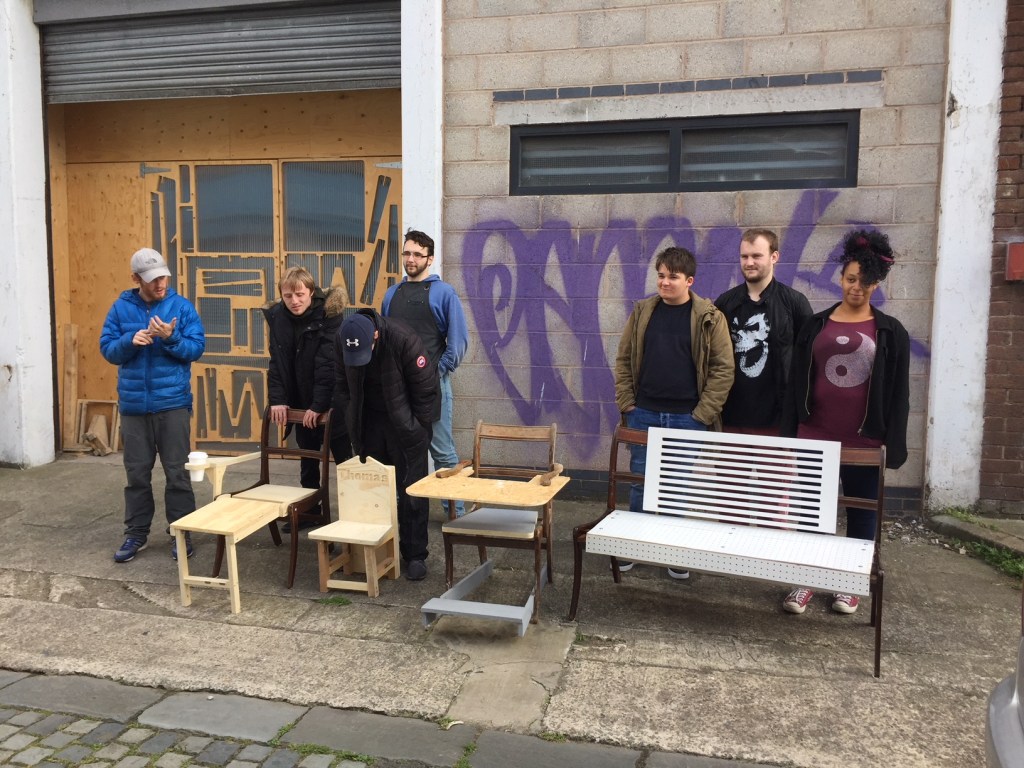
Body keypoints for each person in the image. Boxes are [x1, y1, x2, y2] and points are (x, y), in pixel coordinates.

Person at [781, 229, 910, 615]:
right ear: (841, 278)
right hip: (815, 436)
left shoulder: (890, 332)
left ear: (877, 284)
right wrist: (791, 432)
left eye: (866, 281)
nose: (857, 287)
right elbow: (796, 382)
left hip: (864, 442)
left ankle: (848, 585)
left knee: (862, 513)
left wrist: (893, 444)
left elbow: (898, 393)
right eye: (851, 278)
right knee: (810, 512)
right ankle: (806, 580)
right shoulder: (815, 325)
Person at [614, 246, 735, 579]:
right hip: (644, 413)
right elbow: (623, 359)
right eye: (661, 275)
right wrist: (628, 403)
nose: (665, 282)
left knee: (675, 487)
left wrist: (702, 414)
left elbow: (723, 369)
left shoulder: (709, 317)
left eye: (673, 277)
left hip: (686, 418)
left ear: (689, 281)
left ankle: (670, 548)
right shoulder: (643, 312)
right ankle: (635, 546)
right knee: (641, 483)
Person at [100, 247, 206, 563]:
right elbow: (108, 349)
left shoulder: (181, 307)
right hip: (134, 407)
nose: (160, 284)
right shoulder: (120, 308)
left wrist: (171, 338)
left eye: (163, 277)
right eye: (152, 279)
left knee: (177, 473)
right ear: (136, 279)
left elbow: (196, 348)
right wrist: (129, 341)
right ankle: (136, 534)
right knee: (136, 475)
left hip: (172, 404)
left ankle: (181, 532)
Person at [334, 308, 439, 580]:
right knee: (374, 489)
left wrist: (418, 429)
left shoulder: (403, 339)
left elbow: (426, 390)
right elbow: (341, 385)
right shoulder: (343, 338)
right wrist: (351, 418)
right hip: (368, 421)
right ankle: (378, 551)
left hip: (405, 425)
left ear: (376, 336)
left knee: (411, 490)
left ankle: (415, 554)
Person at [382, 230, 469, 518]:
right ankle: (404, 512)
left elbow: (458, 342)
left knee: (442, 452)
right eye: (407, 253)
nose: (411, 259)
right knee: (399, 450)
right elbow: (384, 339)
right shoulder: (391, 294)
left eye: (418, 254)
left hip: (433, 387)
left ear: (429, 259)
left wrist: (436, 372)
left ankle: (456, 515)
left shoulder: (444, 293)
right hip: (398, 389)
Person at [262, 266, 351, 531]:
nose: (294, 301)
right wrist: (278, 399)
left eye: (300, 294)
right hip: (301, 400)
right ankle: (310, 512)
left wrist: (318, 406)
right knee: (308, 458)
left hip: (333, 401)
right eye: (288, 296)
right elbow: (277, 362)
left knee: (344, 460)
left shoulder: (329, 315)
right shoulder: (278, 317)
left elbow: (328, 364)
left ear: (311, 292)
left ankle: (354, 514)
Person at [715, 228, 813, 435]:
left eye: (756, 256)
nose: (749, 262)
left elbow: (808, 360)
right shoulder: (725, 303)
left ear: (774, 257)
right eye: (744, 256)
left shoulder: (794, 303)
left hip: (778, 420)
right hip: (731, 417)